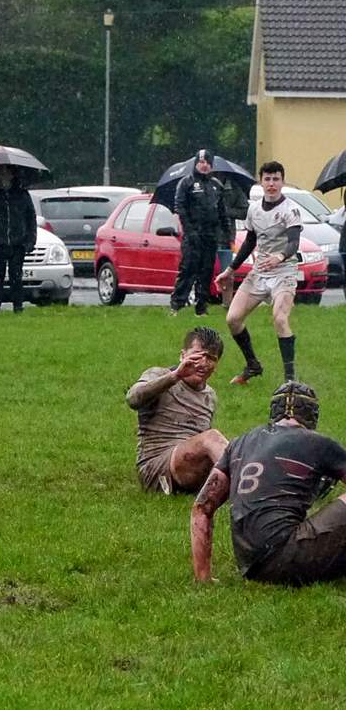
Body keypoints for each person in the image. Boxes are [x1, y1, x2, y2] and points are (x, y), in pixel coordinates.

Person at [191, 381, 346, 585]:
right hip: (287, 558)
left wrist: (203, 578)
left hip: (251, 568)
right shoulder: (318, 443)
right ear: (312, 414)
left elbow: (201, 509)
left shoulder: (239, 443)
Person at [216, 161, 301, 386]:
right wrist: (229, 270)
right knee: (233, 319)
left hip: (284, 272)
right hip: (259, 272)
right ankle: (253, 365)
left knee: (280, 319)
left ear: (282, 182)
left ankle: (290, 380)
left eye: (276, 179)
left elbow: (294, 242)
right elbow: (249, 242)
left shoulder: (290, 209)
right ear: (261, 182)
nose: (272, 184)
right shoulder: (253, 209)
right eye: (267, 179)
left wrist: (280, 256)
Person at [125, 326, 228, 494]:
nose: (203, 363)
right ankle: (246, 488)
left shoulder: (210, 395)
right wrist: (175, 376)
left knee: (242, 445)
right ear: (183, 355)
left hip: (189, 466)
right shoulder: (159, 374)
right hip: (157, 469)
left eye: (211, 359)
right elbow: (132, 399)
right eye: (197, 356)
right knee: (213, 438)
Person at [170, 149, 232, 316]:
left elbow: (222, 211)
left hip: (210, 235)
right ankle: (176, 305)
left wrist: (227, 233)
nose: (204, 166)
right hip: (192, 236)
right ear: (196, 163)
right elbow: (180, 207)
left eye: (208, 163)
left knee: (206, 271)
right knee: (188, 269)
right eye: (201, 162)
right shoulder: (186, 183)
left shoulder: (216, 185)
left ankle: (201, 307)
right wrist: (189, 230)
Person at [0, 167, 37, 314]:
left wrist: (31, 240)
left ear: (12, 176)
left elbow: (31, 218)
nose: (5, 176)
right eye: (2, 174)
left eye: (7, 173)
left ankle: (18, 306)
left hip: (17, 243)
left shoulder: (22, 195)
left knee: (16, 276)